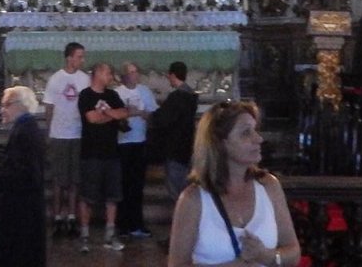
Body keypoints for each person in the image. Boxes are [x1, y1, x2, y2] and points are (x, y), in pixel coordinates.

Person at [167, 100, 300, 267]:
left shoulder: (269, 186)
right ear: (220, 143)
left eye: (255, 130)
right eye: (246, 133)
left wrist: (267, 256)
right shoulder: (193, 200)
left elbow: (294, 251)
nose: (258, 138)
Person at [0, 86, 47, 267]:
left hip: (21, 214)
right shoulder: (26, 128)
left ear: (20, 105)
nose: (2, 110)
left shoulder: (24, 132)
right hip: (24, 210)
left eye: (6, 105)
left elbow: (26, 175)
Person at [77, 61, 131, 252]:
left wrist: (106, 113)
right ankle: (84, 235)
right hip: (91, 153)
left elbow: (124, 113)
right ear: (98, 73)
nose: (111, 76)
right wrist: (111, 115)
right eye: (109, 73)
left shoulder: (112, 95)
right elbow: (91, 119)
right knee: (87, 196)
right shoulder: (85, 95)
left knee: (112, 196)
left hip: (111, 153)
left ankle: (110, 234)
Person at [43, 40, 89, 237]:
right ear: (69, 58)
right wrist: (49, 131)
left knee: (75, 179)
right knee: (58, 179)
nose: (82, 60)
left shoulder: (85, 79)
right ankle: (57, 217)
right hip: (59, 134)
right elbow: (49, 107)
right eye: (79, 56)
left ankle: (71, 216)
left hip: (77, 133)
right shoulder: (55, 79)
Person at [115, 61, 158, 238]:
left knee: (137, 184)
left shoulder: (144, 91)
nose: (135, 75)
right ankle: (123, 224)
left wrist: (141, 113)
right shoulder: (117, 93)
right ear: (124, 76)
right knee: (123, 184)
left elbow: (153, 114)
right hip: (123, 143)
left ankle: (137, 223)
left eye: (136, 71)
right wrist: (128, 113)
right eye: (131, 72)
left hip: (140, 141)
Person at [149, 61, 199, 202]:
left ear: (172, 75)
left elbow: (162, 120)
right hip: (187, 144)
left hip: (174, 146)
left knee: (176, 188)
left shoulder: (177, 97)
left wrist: (148, 115)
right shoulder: (191, 96)